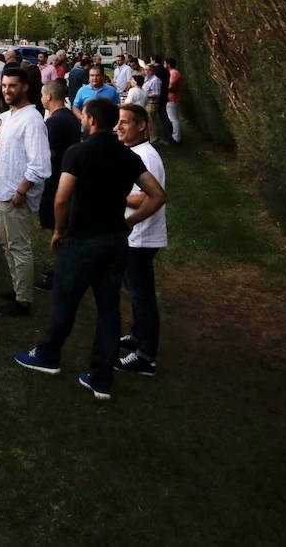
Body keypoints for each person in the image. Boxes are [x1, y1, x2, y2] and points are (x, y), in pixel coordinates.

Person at [14, 98, 167, 398]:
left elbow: (61, 198)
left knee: (65, 301)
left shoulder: (78, 153)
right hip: (115, 242)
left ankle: (48, 355)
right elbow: (157, 195)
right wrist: (130, 222)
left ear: (92, 120)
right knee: (109, 310)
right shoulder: (128, 157)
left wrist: (58, 230)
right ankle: (101, 378)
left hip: (82, 240)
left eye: (84, 116)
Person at [0, 68, 51, 317]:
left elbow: (40, 165)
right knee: (7, 244)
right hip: (1, 190)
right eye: (3, 85)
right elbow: (15, 148)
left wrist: (21, 191)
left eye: (12, 85)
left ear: (24, 87)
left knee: (19, 247)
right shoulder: (10, 116)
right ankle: (18, 287)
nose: (6, 90)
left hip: (14, 194)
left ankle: (23, 301)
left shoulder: (32, 120)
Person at [115, 103, 168, 375]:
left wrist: (114, 195)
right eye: (118, 122)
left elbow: (150, 196)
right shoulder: (133, 153)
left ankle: (146, 355)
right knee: (135, 291)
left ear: (142, 125)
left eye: (126, 122)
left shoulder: (147, 156)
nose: (119, 127)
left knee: (142, 293)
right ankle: (137, 336)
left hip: (141, 237)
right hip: (132, 236)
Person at [35, 79, 83, 291]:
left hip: (56, 180)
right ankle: (63, 268)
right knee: (62, 227)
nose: (41, 98)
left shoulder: (53, 122)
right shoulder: (71, 117)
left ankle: (61, 272)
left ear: (50, 96)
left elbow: (49, 154)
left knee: (58, 229)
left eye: (43, 94)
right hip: (68, 177)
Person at [72, 65, 120, 129]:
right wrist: (82, 118)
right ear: (89, 77)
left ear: (103, 76)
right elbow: (75, 107)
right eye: (92, 75)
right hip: (88, 128)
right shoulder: (82, 90)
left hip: (106, 128)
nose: (94, 78)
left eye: (97, 75)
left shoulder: (112, 91)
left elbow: (118, 107)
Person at [165, 58, 183, 144]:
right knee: (172, 118)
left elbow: (172, 86)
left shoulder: (173, 73)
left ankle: (176, 138)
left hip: (172, 98)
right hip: (172, 98)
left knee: (173, 119)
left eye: (165, 63)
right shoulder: (173, 72)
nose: (164, 65)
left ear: (168, 64)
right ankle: (174, 136)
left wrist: (163, 90)